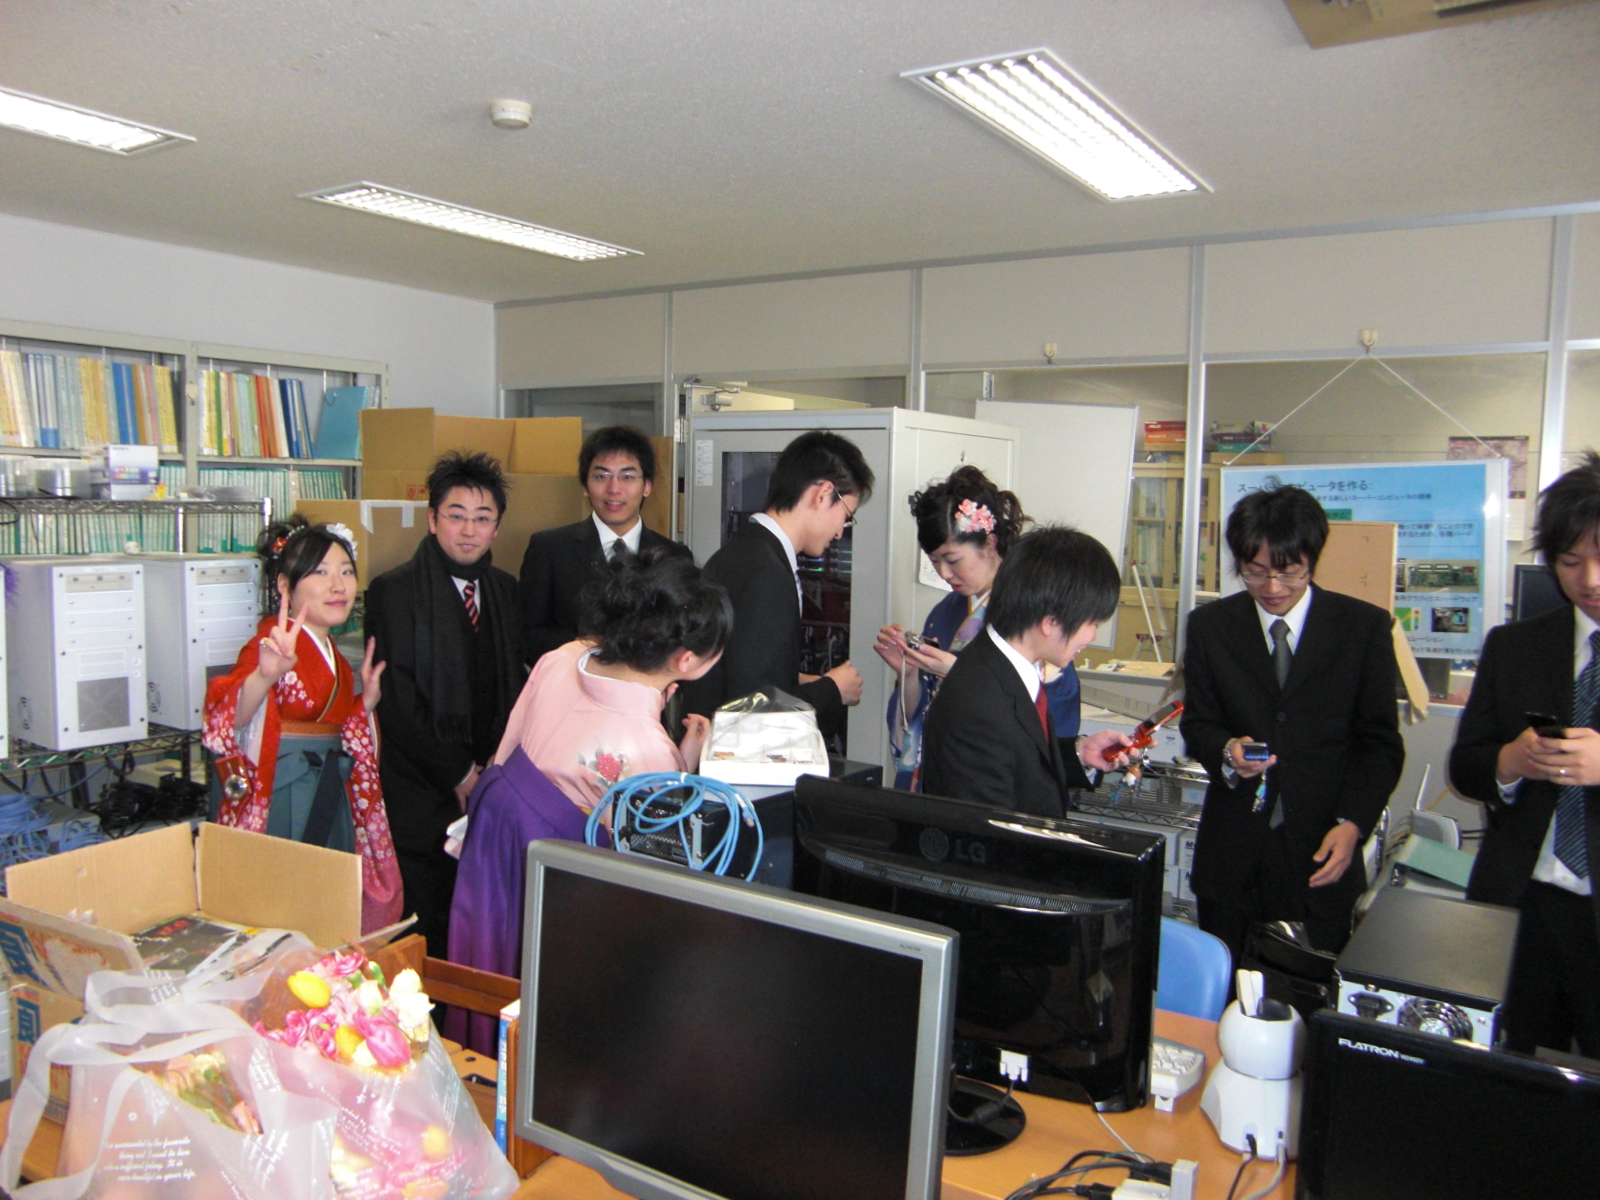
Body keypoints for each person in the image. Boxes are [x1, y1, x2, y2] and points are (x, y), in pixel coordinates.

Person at [447, 548, 730, 1041]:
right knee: (544, 1008)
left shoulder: (564, 656)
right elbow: (644, 855)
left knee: (487, 968)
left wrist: (678, 752)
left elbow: (511, 744)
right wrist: (682, 763)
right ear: (686, 660)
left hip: (495, 830)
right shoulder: (648, 748)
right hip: (559, 879)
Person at [1180, 485, 1404, 966]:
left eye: (1289, 571)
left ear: (1312, 560)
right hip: (1232, 857)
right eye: (1255, 571)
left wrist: (1353, 824)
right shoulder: (1210, 626)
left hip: (1322, 853)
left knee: (1309, 993)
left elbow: (1380, 744)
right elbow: (1199, 724)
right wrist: (1226, 751)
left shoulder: (1362, 629)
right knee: (1225, 989)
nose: (1272, 587)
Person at [1451, 450, 1600, 1056]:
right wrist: (1508, 763)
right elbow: (1466, 767)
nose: (1590, 580)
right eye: (1570, 561)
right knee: (1510, 1071)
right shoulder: (1515, 647)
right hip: (1518, 905)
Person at [203, 517, 403, 934]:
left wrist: (364, 703)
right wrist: (264, 676)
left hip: (326, 791)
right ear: (284, 585)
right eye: (321, 573)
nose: (338, 585)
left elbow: (335, 726)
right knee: (284, 917)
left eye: (346, 572)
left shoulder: (333, 655)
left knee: (321, 915)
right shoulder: (267, 646)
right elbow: (229, 720)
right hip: (284, 793)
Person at [364, 451, 523, 958]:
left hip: (488, 786)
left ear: (497, 527)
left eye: (483, 518)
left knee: (477, 923)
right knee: (421, 925)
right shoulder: (393, 591)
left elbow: (514, 689)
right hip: (419, 789)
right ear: (433, 520)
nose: (469, 531)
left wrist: (488, 771)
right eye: (456, 516)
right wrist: (459, 774)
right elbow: (395, 699)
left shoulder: (504, 590)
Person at [873, 466, 1082, 790]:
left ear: (989, 543)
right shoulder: (946, 612)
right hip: (947, 770)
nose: (944, 573)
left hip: (998, 778)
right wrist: (909, 673)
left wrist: (960, 675)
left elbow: (1045, 719)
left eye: (952, 560)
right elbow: (923, 719)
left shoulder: (1032, 615)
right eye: (933, 561)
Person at [921, 525, 1133, 818]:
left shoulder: (1011, 668)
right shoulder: (979, 707)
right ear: (1050, 621)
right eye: (1092, 623)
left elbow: (1021, 760)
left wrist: (1079, 752)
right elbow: (988, 831)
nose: (1092, 637)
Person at [680, 430, 872, 741]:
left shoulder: (736, 553)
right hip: (734, 760)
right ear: (823, 494)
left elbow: (738, 668)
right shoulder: (768, 575)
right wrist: (832, 690)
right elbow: (755, 712)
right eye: (846, 515)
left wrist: (796, 679)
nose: (840, 532)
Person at [519, 424, 687, 668]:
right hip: (573, 684)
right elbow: (526, 635)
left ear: (647, 486)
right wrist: (592, 650)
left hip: (645, 689)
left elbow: (684, 635)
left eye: (627, 477)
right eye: (601, 476)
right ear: (585, 487)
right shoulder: (549, 549)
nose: (614, 489)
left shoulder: (673, 556)